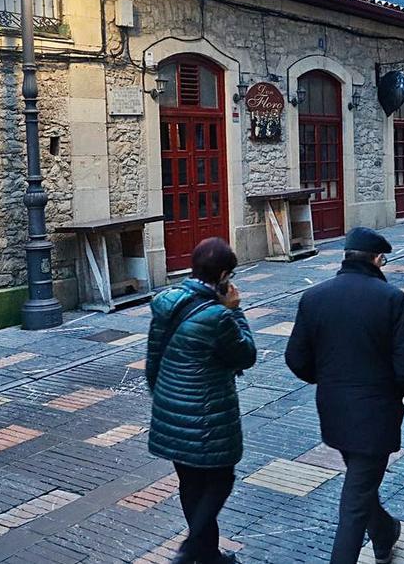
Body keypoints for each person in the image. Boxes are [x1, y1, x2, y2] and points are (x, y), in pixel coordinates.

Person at [285, 227, 404, 564]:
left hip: (334, 410)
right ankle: (373, 539)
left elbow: (296, 359)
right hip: (376, 414)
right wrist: (395, 392)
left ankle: (384, 532)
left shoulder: (315, 297)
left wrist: (329, 381)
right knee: (355, 499)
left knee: (361, 484)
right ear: (378, 259)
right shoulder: (391, 299)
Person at [147, 238, 256, 564]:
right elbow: (246, 354)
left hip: (170, 408)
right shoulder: (218, 317)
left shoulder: (166, 301)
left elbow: (153, 357)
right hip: (207, 416)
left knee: (191, 484)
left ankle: (207, 556)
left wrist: (163, 396)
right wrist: (235, 312)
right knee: (222, 478)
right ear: (223, 275)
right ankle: (191, 548)